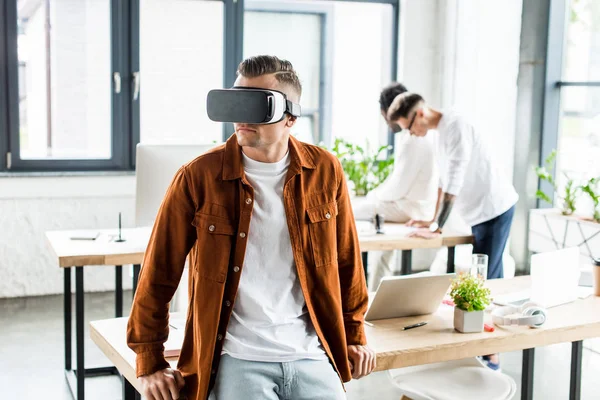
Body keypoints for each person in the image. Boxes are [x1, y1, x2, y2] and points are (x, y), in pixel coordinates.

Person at [126, 55, 375, 400]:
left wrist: (354, 335)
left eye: (256, 106)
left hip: (309, 352)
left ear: (290, 117)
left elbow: (347, 262)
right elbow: (159, 271)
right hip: (236, 356)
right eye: (236, 101)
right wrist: (149, 361)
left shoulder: (325, 170)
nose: (241, 117)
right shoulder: (198, 177)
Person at [387, 91, 518, 370]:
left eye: (408, 128)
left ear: (419, 114)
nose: (411, 134)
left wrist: (437, 227)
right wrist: (433, 222)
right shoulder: (439, 133)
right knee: (488, 278)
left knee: (487, 281)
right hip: (479, 211)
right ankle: (489, 346)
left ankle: (492, 353)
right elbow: (442, 181)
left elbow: (455, 181)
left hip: (494, 208)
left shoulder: (456, 125)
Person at [352, 83, 438, 290]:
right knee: (382, 254)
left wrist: (373, 196)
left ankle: (367, 298)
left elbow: (397, 188)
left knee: (351, 208)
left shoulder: (414, 139)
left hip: (409, 208)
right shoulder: (423, 135)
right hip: (416, 206)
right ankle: (373, 297)